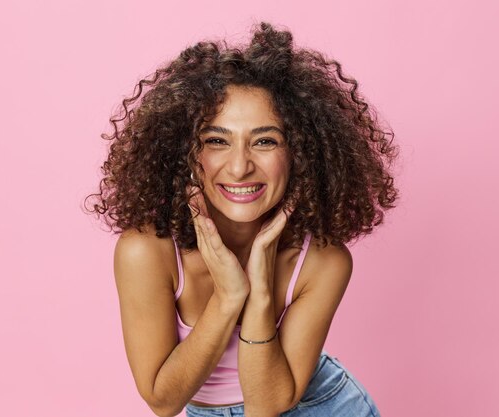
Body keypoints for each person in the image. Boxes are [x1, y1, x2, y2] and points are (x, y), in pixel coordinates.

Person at [84, 21, 398, 417]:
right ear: (185, 151)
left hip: (324, 406)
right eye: (217, 140)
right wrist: (229, 295)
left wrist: (259, 290)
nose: (239, 167)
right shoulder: (146, 252)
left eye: (265, 141)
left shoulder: (322, 260)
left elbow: (268, 406)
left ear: (300, 153)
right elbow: (163, 401)